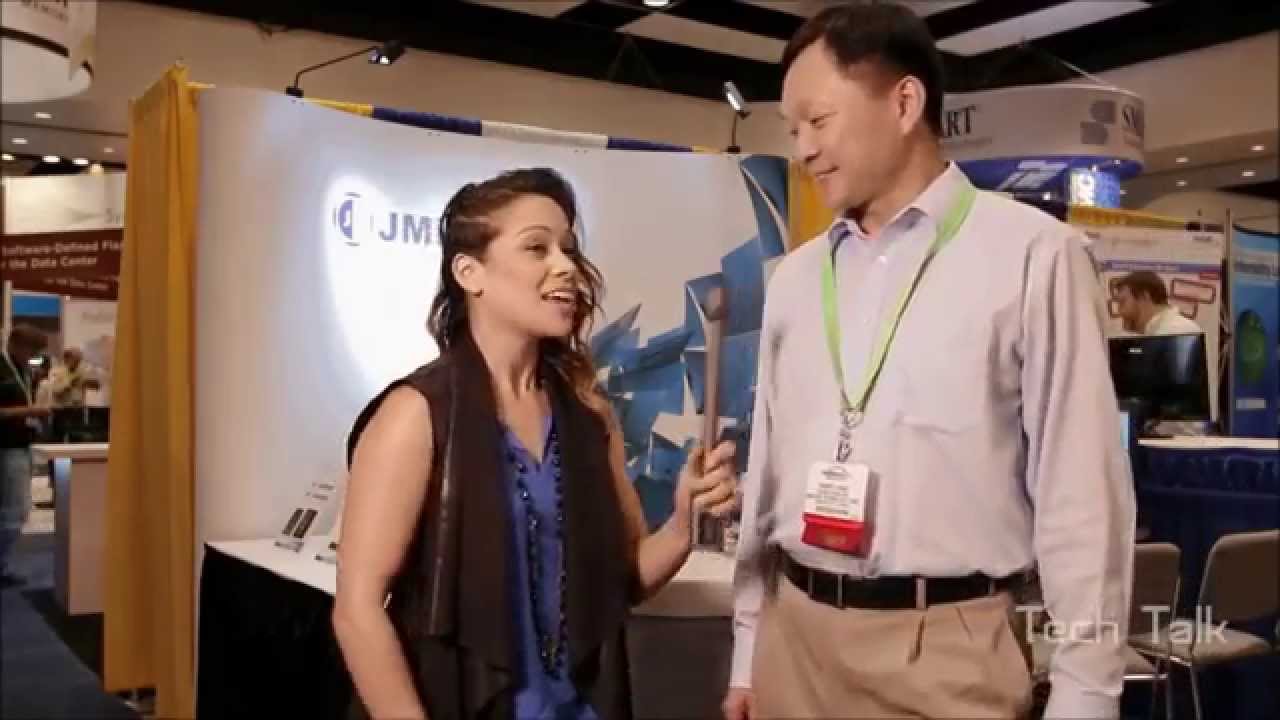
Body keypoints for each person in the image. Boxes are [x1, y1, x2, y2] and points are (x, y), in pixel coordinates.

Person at [722, 5, 1135, 720]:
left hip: (944, 654)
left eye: (818, 121)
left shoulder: (1034, 256)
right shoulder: (795, 278)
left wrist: (1086, 696)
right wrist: (749, 648)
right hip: (794, 644)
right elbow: (768, 478)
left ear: (904, 102)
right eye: (792, 131)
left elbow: (1083, 500)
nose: (804, 149)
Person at [334, 167, 738, 720]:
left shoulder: (590, 415)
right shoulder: (414, 415)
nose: (565, 266)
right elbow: (357, 611)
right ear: (469, 272)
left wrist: (683, 524)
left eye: (568, 248)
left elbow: (624, 582)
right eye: (536, 248)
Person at [1, 325, 50, 587]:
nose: (34, 357)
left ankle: (3, 565)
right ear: (15, 345)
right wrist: (28, 412)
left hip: (21, 445)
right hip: (6, 447)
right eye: (32, 351)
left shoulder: (22, 370)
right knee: (14, 511)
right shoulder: (2, 369)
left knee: (17, 509)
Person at [1115, 270, 1203, 335]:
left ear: (1144, 296)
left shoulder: (1178, 331)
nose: (1120, 311)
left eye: (1122, 302)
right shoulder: (1155, 332)